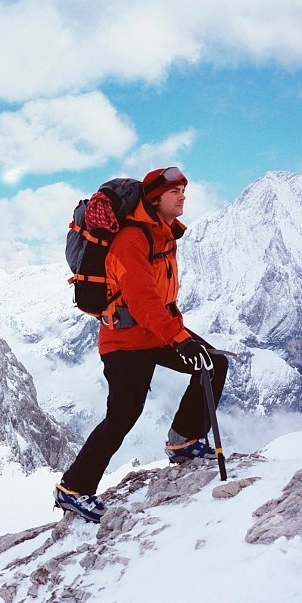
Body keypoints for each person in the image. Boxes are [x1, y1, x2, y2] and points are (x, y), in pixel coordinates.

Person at [54, 166, 229, 522]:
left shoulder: (162, 234)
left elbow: (161, 300)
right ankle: (73, 488)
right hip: (124, 341)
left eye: (183, 189)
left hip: (153, 332)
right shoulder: (133, 239)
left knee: (212, 363)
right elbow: (142, 301)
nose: (183, 196)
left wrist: (181, 335)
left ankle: (183, 441)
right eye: (175, 191)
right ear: (154, 199)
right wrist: (179, 339)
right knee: (122, 417)